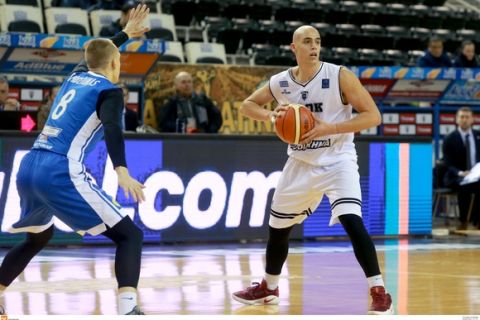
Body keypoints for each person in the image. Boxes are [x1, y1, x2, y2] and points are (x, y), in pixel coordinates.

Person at [231, 25, 393, 315]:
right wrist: (271, 115)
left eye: (317, 41)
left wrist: (331, 127)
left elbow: (373, 115)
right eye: (307, 42)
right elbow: (247, 105)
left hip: (338, 158)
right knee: (278, 229)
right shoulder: (280, 82)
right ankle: (269, 287)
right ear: (294, 48)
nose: (314, 46)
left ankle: (378, 290)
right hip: (300, 162)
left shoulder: (339, 75)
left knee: (351, 220)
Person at [0, 4, 150, 316]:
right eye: (118, 59)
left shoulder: (74, 77)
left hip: (30, 166)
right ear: (113, 64)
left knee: (37, 238)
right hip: (59, 170)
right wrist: (120, 170)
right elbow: (111, 128)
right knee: (130, 235)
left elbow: (96, 54)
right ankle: (128, 309)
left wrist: (125, 35)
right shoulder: (109, 90)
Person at [442, 107, 480, 230]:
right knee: (466, 187)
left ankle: (477, 220)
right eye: (461, 117)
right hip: (457, 176)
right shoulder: (449, 138)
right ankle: (464, 221)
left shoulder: (478, 136)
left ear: (472, 119)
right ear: (456, 119)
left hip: (476, 175)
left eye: (467, 117)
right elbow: (448, 164)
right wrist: (461, 173)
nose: (464, 120)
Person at [157, 71, 223, 133]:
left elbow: (217, 118)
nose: (187, 85)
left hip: (203, 138)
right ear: (176, 86)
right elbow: (163, 123)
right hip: (182, 139)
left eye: (189, 82)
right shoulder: (171, 102)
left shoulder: (202, 99)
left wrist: (209, 131)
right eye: (183, 82)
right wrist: (182, 128)